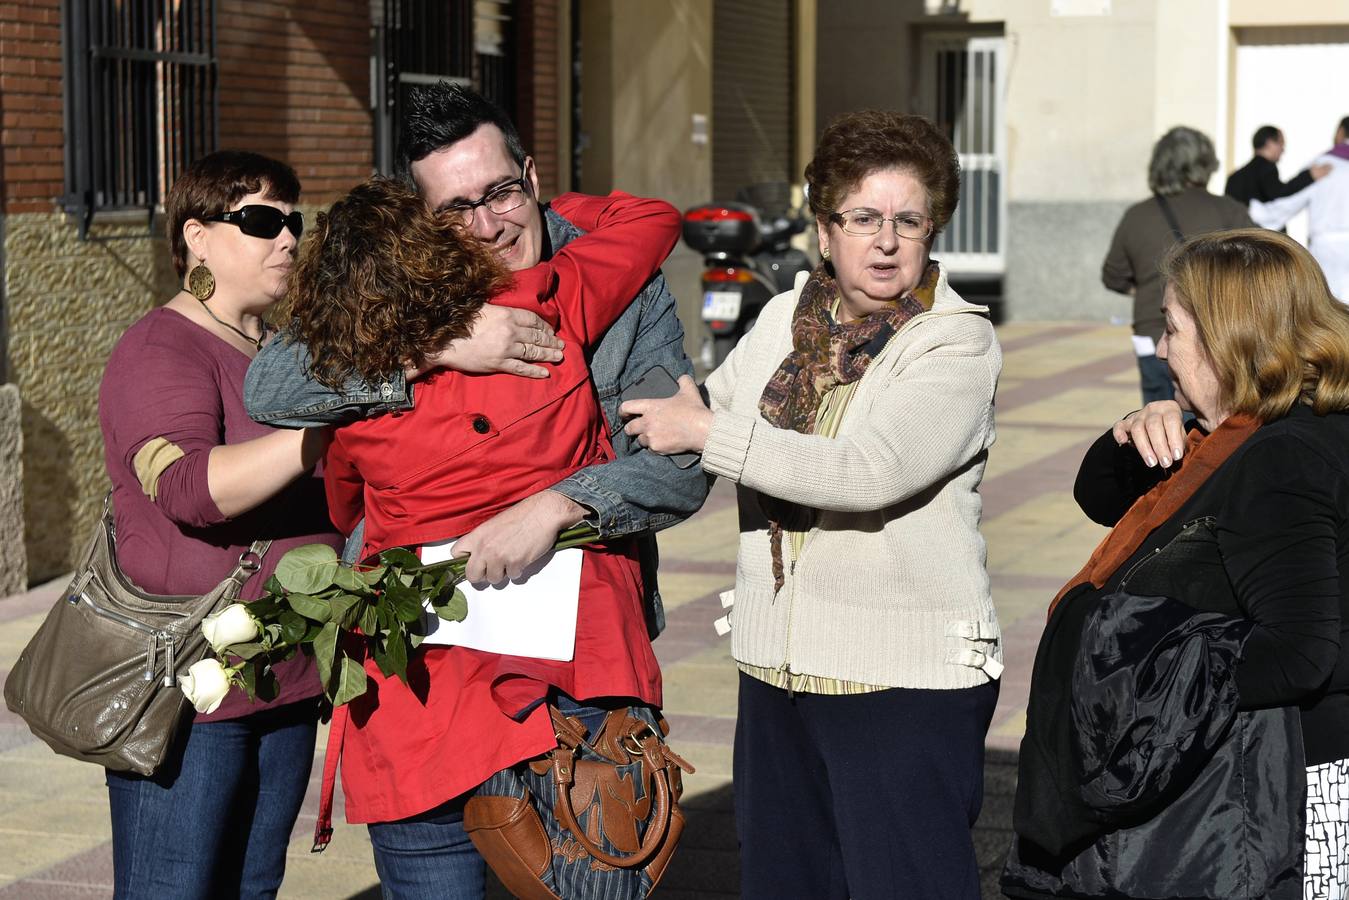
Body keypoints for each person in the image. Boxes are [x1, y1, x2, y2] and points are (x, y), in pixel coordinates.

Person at [619, 110, 1003, 900]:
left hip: (901, 683)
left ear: (933, 231)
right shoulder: (787, 320)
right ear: (825, 230)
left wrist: (707, 428)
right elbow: (699, 417)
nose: (886, 241)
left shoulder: (952, 343)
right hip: (778, 668)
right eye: (863, 219)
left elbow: (866, 471)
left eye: (908, 221)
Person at [283, 177, 679, 897]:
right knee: (593, 872)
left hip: (417, 695)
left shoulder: (355, 392)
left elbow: (346, 508)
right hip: (562, 674)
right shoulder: (541, 323)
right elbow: (648, 217)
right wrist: (536, 202)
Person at [243, 82, 705, 639]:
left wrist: (557, 508)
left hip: (586, 627)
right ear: (424, 219)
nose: (489, 227)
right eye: (457, 209)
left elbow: (680, 470)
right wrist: (438, 347)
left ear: (531, 177)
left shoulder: (622, 282)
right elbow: (271, 389)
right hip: (421, 633)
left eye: (503, 192)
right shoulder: (400, 284)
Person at [1002, 228, 1349, 900]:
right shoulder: (1254, 435)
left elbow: (1298, 653)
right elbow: (1102, 499)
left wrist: (1131, 676)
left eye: (1172, 329)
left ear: (1228, 339)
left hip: (1289, 794)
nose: (1160, 349)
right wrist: (1142, 424)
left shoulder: (1280, 458)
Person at [96, 151, 341, 898]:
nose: (289, 238)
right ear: (197, 237)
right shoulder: (160, 348)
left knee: (251, 888)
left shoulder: (283, 353)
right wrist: (318, 437)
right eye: (263, 220)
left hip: (286, 678)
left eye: (294, 221)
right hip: (190, 691)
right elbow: (185, 488)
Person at [1102, 126, 1253, 405]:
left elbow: (1113, 275)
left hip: (1152, 333)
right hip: (1215, 334)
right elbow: (1255, 269)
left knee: (1159, 419)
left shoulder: (1137, 216)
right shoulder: (1229, 211)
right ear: (1205, 164)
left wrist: (1146, 288)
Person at [1250, 115, 1349, 301]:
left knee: (1330, 311)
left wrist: (1256, 211)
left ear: (1340, 132)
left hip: (1326, 250)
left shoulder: (1323, 166)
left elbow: (1287, 204)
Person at [1224, 124, 1328, 205]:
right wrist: (1309, 176)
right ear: (1269, 143)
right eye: (1281, 143)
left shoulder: (1234, 177)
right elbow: (1279, 194)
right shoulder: (1267, 169)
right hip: (1260, 232)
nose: (1283, 149)